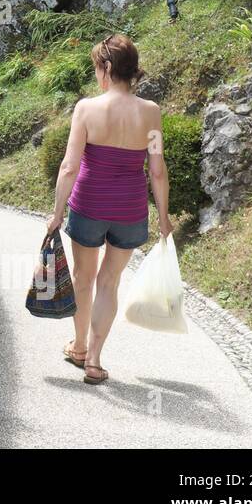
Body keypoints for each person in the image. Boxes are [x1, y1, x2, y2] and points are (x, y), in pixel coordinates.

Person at [48, 34, 170, 387]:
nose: (95, 75)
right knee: (110, 282)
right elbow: (157, 169)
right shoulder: (151, 113)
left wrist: (57, 214)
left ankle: (80, 346)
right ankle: (96, 360)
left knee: (83, 279)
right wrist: (163, 216)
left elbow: (69, 167)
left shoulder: (86, 108)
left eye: (96, 68)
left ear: (107, 68)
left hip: (88, 206)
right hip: (130, 210)